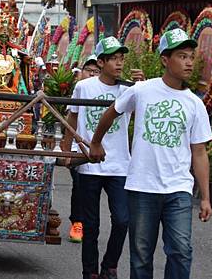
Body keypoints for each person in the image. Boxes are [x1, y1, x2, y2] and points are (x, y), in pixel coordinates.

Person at [90, 28, 212, 279]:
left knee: (180, 250)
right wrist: (96, 143)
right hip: (142, 187)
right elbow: (112, 112)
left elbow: (199, 152)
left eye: (191, 56)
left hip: (178, 188)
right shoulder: (142, 90)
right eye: (182, 56)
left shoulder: (195, 104)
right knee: (141, 255)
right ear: (165, 60)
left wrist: (206, 197)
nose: (189, 62)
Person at [62, 38, 132, 279]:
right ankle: (89, 271)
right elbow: (72, 117)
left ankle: (110, 265)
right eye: (114, 58)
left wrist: (143, 86)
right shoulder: (85, 87)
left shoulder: (128, 89)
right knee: (90, 225)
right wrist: (66, 150)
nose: (119, 63)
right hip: (89, 164)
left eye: (121, 58)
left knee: (123, 220)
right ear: (100, 62)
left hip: (120, 164)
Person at [65, 54, 101, 244]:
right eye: (89, 70)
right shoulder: (79, 90)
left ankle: (88, 222)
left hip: (100, 149)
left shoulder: (109, 91)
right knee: (79, 183)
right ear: (81, 71)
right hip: (77, 147)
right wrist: (66, 150)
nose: (92, 74)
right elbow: (71, 120)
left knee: (92, 188)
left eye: (97, 71)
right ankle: (77, 222)